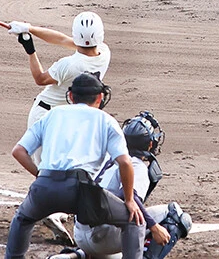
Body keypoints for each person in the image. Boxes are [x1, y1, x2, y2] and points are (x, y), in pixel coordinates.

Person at [4, 73, 145, 259]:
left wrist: (41, 175)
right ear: (100, 97)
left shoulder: (52, 114)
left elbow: (19, 151)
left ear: (71, 96)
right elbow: (125, 163)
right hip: (83, 192)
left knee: (23, 219)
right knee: (133, 221)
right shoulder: (106, 120)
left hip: (45, 187)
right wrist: (129, 200)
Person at [9, 11, 111, 245]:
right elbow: (63, 40)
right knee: (63, 165)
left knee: (47, 168)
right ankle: (51, 209)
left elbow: (40, 78)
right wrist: (29, 26)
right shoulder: (104, 53)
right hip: (66, 118)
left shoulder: (68, 65)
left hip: (45, 115)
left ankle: (48, 207)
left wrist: (29, 48)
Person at [51, 111, 193, 259]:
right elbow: (129, 198)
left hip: (81, 233)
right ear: (150, 144)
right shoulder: (137, 166)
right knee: (175, 214)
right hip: (103, 237)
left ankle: (77, 255)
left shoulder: (106, 156)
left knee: (123, 225)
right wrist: (154, 226)